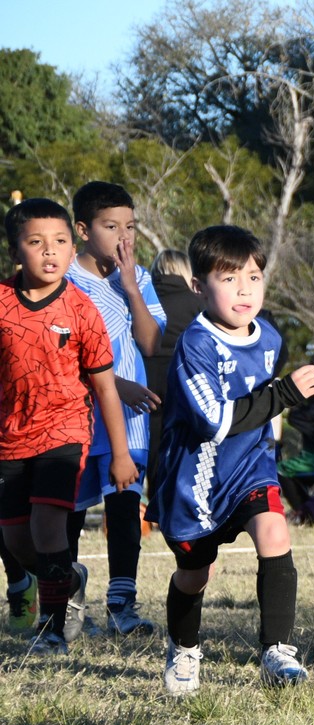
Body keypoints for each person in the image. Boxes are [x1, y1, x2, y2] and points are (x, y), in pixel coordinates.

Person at [151, 225, 314, 695]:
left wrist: (295, 399)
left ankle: (278, 652)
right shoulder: (196, 344)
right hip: (197, 477)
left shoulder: (269, 336)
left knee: (274, 529)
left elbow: (268, 400)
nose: (244, 289)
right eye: (228, 279)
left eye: (253, 277)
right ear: (198, 287)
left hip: (250, 465)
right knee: (195, 574)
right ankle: (184, 649)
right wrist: (284, 393)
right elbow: (212, 421)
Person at [0, 198, 136, 655]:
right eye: (36, 242)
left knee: (47, 527)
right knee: (18, 542)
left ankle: (52, 630)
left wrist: (120, 454)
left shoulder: (81, 309)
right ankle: (69, 576)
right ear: (16, 250)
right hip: (10, 438)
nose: (50, 251)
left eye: (59, 241)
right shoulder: (1, 303)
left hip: (65, 432)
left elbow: (106, 390)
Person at [64, 180, 167, 637]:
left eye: (131, 226)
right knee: (67, 508)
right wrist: (114, 384)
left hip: (130, 420)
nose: (124, 237)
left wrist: (130, 287)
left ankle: (122, 606)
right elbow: (61, 353)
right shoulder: (62, 277)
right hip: (77, 412)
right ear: (83, 230)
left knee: (125, 508)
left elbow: (149, 341)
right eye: (111, 226)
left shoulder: (140, 278)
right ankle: (64, 596)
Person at [146, 248, 205, 487]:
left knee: (150, 439)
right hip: (183, 374)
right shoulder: (197, 302)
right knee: (180, 438)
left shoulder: (142, 298)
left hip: (145, 375)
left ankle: (151, 495)